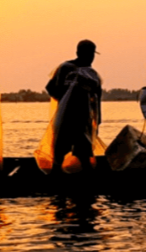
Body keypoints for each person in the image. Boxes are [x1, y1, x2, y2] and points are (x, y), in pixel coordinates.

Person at [36, 39, 106, 174]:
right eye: (88, 54)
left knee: (84, 153)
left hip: (83, 120)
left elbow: (97, 99)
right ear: (78, 53)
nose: (91, 57)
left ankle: (87, 187)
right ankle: (57, 182)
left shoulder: (92, 74)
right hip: (65, 118)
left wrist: (97, 121)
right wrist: (66, 100)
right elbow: (51, 88)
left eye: (92, 54)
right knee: (60, 151)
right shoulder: (66, 68)